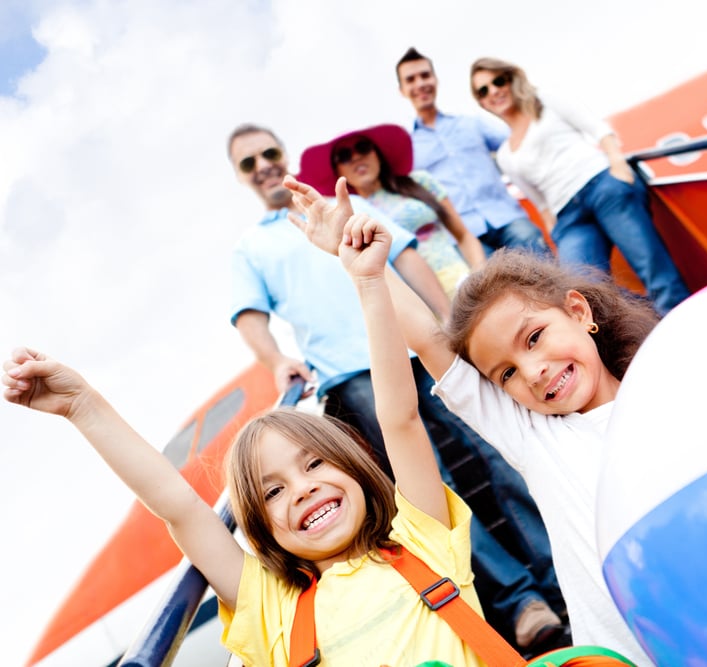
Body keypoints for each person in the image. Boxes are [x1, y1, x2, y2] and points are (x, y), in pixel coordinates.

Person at [0, 227, 488, 664]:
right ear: (261, 530)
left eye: (315, 463)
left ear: (356, 468)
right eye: (272, 492)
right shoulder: (271, 610)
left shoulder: (423, 539)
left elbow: (398, 417)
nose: (302, 489)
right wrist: (82, 407)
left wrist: (368, 283)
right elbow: (182, 509)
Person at [284, 174, 659, 666]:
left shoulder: (661, 395)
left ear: (578, 309)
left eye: (534, 337)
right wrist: (365, 272)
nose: (533, 371)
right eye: (506, 373)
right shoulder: (532, 432)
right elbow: (427, 338)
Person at [228, 124, 567, 653]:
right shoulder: (252, 246)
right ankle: (523, 602)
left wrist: (451, 326)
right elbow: (249, 315)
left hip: (414, 346)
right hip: (351, 373)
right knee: (436, 482)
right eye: (248, 162)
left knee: (497, 454)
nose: (263, 165)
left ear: (284, 153)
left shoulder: (347, 203)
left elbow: (406, 258)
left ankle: (562, 566)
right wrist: (276, 360)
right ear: (241, 176)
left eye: (269, 153)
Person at [468, 56, 690, 317]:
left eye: (498, 81)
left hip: (602, 187)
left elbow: (598, 129)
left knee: (654, 270)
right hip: (569, 217)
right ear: (481, 102)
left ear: (511, 79)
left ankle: (684, 329)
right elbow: (539, 200)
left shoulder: (546, 101)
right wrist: (554, 228)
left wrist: (618, 168)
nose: (494, 91)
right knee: (583, 295)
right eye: (484, 90)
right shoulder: (506, 154)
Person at [297, 123, 486, 298]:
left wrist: (480, 277)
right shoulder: (348, 216)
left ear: (377, 154)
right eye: (345, 156)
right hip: (412, 301)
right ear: (337, 171)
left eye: (362, 148)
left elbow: (463, 236)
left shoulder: (419, 181)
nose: (356, 157)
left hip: (461, 281)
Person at [396, 47, 551, 257]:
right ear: (402, 90)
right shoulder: (408, 148)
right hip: (464, 237)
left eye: (425, 75)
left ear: (435, 80)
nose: (420, 84)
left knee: (544, 271)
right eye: (411, 79)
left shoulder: (472, 123)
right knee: (490, 288)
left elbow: (519, 142)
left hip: (508, 218)